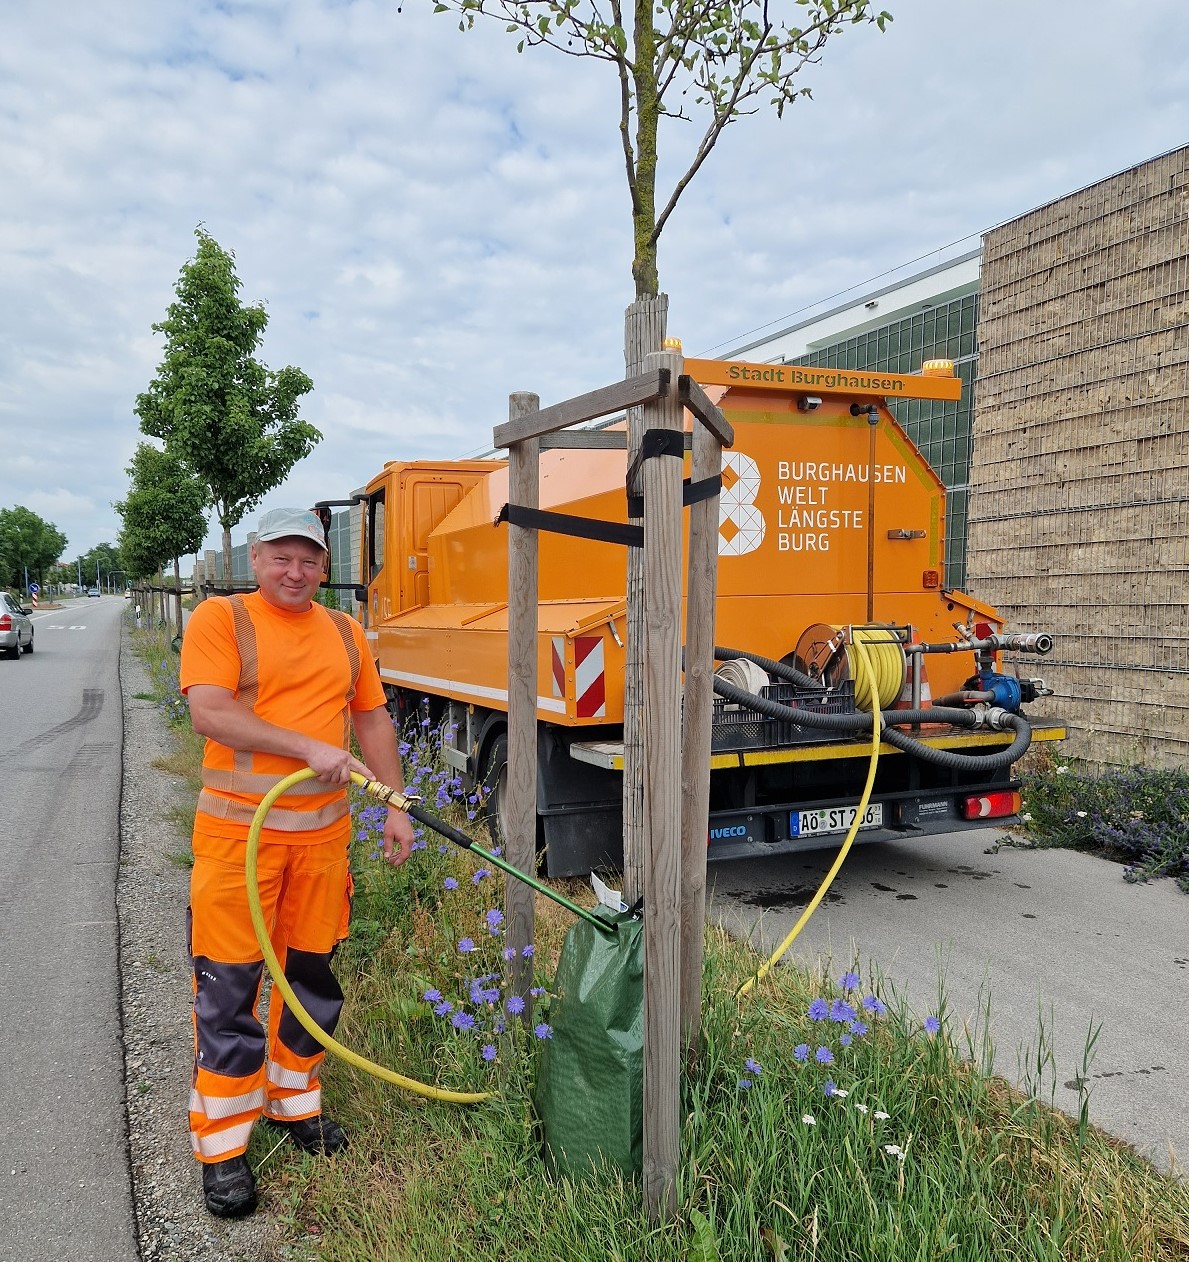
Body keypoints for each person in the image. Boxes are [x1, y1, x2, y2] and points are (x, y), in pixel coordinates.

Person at [179, 507, 414, 1219]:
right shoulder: (223, 619)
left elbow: (371, 718)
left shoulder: (344, 631)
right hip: (236, 842)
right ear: (255, 559)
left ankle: (294, 1101)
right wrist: (306, 747)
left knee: (309, 978)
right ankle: (223, 1146)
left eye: (309, 559)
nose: (296, 571)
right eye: (282, 557)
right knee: (230, 986)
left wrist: (396, 805)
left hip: (320, 843)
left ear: (322, 565)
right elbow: (209, 711)